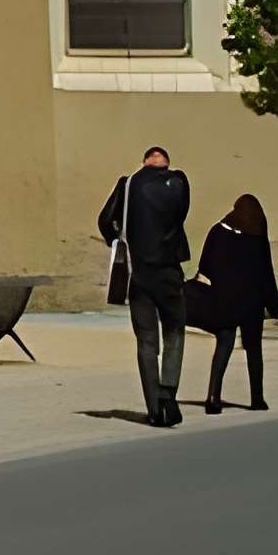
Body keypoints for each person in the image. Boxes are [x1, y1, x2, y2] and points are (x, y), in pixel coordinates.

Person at [98, 146, 194, 426]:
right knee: (175, 332)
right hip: (169, 272)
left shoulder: (127, 185)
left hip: (137, 274)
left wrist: (118, 240)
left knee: (146, 341)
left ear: (143, 162)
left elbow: (105, 221)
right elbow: (182, 212)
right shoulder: (179, 183)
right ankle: (168, 393)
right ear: (165, 163)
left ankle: (153, 408)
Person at [196, 193, 278, 414]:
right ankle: (257, 399)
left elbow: (205, 265)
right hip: (252, 302)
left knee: (224, 346)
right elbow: (267, 272)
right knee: (254, 351)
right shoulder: (257, 234)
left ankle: (213, 398)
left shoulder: (218, 231)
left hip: (225, 299)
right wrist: (275, 308)